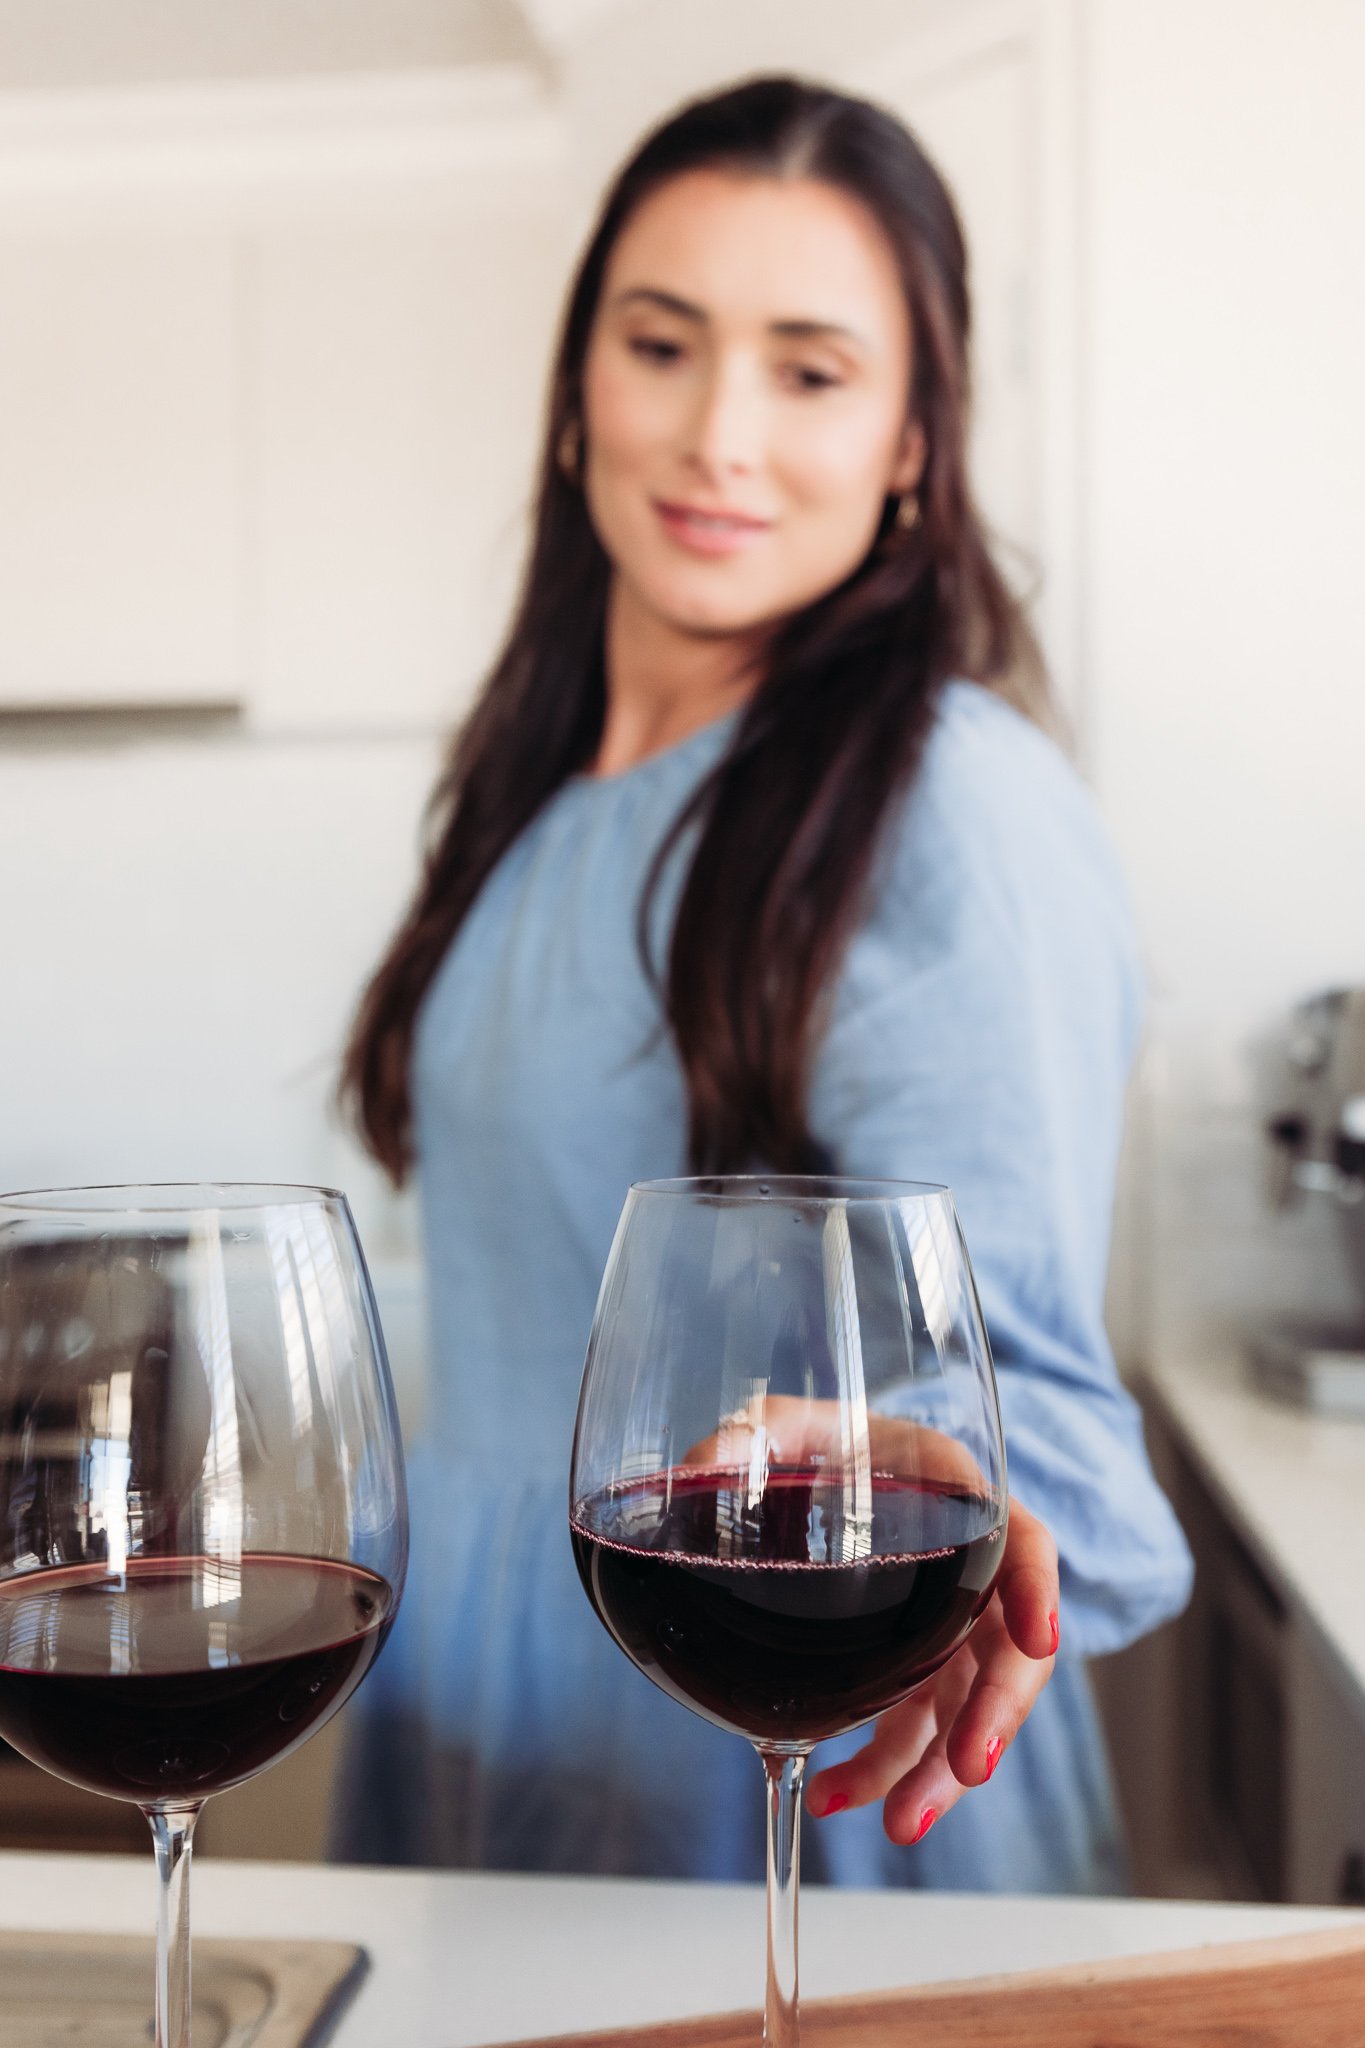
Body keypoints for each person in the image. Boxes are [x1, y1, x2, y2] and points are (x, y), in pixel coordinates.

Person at [333, 75, 1192, 1893]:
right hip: (491, 1712)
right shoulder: (533, 789)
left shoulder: (945, 801)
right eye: (662, 344)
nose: (719, 430)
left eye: (809, 370)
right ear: (578, 389)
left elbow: (1048, 1430)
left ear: (908, 441)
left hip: (779, 1765)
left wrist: (915, 1468)